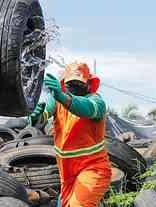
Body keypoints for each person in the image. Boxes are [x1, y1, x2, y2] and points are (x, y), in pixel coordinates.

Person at [29, 62, 112, 207]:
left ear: (88, 84)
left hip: (93, 168)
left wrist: (62, 96)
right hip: (67, 173)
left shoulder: (96, 101)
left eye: (78, 83)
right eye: (71, 83)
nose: (74, 87)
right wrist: (35, 117)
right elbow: (43, 115)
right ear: (64, 83)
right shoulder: (56, 101)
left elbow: (85, 109)